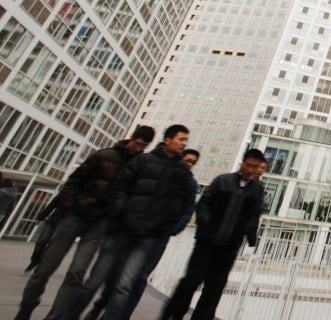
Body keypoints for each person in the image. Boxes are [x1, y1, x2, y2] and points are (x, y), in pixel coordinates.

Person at [14, 125, 155, 320]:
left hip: (100, 223)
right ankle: (26, 307)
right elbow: (74, 181)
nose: (139, 149)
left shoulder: (137, 166)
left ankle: (56, 316)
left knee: (77, 272)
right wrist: (69, 207)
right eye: (138, 144)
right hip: (76, 216)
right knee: (45, 268)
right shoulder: (103, 156)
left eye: (144, 146)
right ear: (132, 138)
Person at [55, 124, 192, 320]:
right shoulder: (142, 161)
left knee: (124, 286)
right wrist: (120, 213)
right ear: (168, 140)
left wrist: (166, 224)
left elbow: (182, 202)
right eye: (181, 140)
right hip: (121, 231)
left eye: (186, 141)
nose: (184, 144)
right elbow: (120, 187)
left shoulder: (182, 172)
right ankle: (71, 315)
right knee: (94, 281)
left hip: (147, 237)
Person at [81, 148, 202, 320]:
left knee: (139, 279)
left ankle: (119, 316)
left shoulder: (189, 183)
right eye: (187, 159)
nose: (188, 164)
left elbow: (188, 208)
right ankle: (100, 307)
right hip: (135, 228)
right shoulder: (159, 170)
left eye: (192, 162)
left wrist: (174, 227)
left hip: (160, 233)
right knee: (119, 274)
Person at [159, 149, 267, 320]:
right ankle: (172, 315)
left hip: (229, 246)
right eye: (248, 165)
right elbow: (204, 203)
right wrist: (206, 223)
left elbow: (254, 215)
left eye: (255, 167)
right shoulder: (222, 180)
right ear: (242, 163)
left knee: (214, 289)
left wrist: (250, 236)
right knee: (191, 281)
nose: (250, 170)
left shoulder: (257, 190)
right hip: (206, 242)